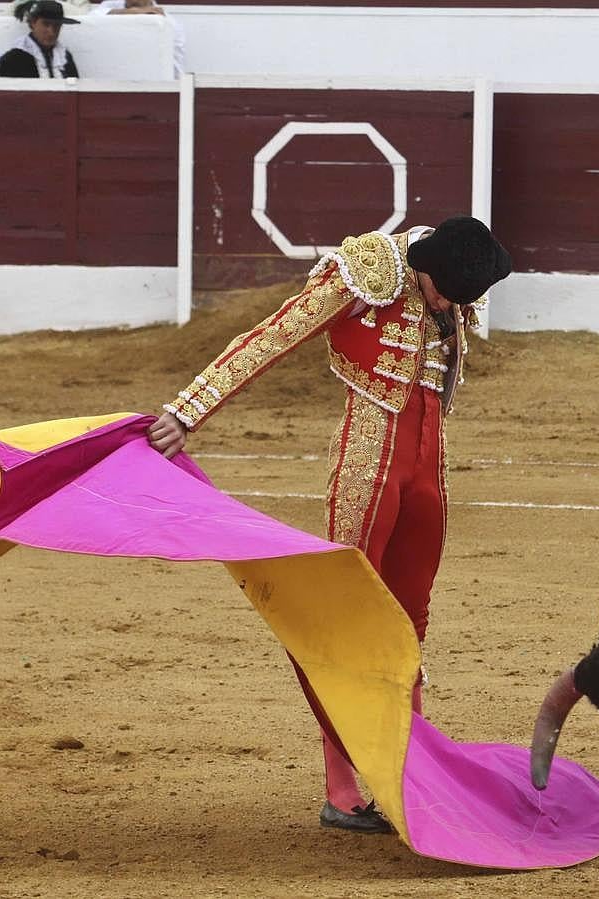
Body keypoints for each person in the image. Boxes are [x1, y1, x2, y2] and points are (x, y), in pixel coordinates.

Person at [147, 217, 512, 833]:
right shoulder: (370, 269)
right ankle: (341, 784)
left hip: (428, 464)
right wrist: (188, 411)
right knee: (345, 616)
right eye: (445, 293)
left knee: (410, 619)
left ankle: (407, 768)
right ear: (422, 267)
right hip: (369, 455)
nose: (451, 306)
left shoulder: (454, 274)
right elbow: (274, 335)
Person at [93, 0, 186, 79]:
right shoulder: (112, 4)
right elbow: (88, 20)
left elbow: (174, 70)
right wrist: (131, 12)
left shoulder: (170, 24)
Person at [0, 0, 80, 79]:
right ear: (32, 23)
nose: (51, 32)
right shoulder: (14, 59)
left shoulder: (65, 57)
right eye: (46, 24)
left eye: (56, 25)